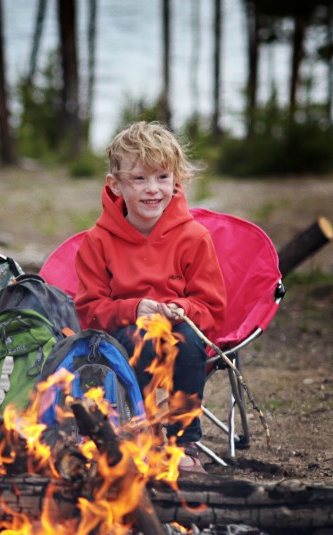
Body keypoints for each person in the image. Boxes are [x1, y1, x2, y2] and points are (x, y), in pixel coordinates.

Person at [74, 121, 227, 472]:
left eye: (162, 177)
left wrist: (180, 309)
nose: (152, 189)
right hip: (123, 335)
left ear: (177, 180)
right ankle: (136, 438)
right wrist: (133, 309)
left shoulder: (194, 237)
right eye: (139, 179)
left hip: (180, 338)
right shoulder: (98, 241)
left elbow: (212, 308)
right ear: (115, 185)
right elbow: (89, 310)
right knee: (136, 338)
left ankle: (183, 444)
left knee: (186, 339)